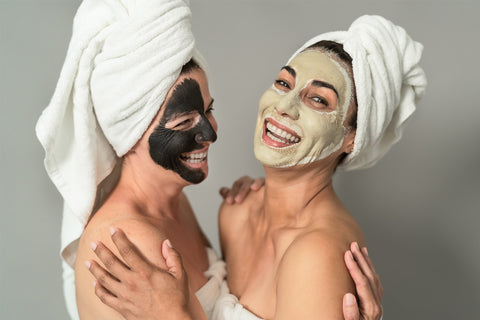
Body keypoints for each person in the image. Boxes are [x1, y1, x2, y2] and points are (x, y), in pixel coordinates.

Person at [36, 0, 385, 318]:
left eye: (208, 110)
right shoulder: (124, 244)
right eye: (185, 122)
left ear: (352, 135)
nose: (209, 133)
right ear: (129, 132)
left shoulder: (189, 208)